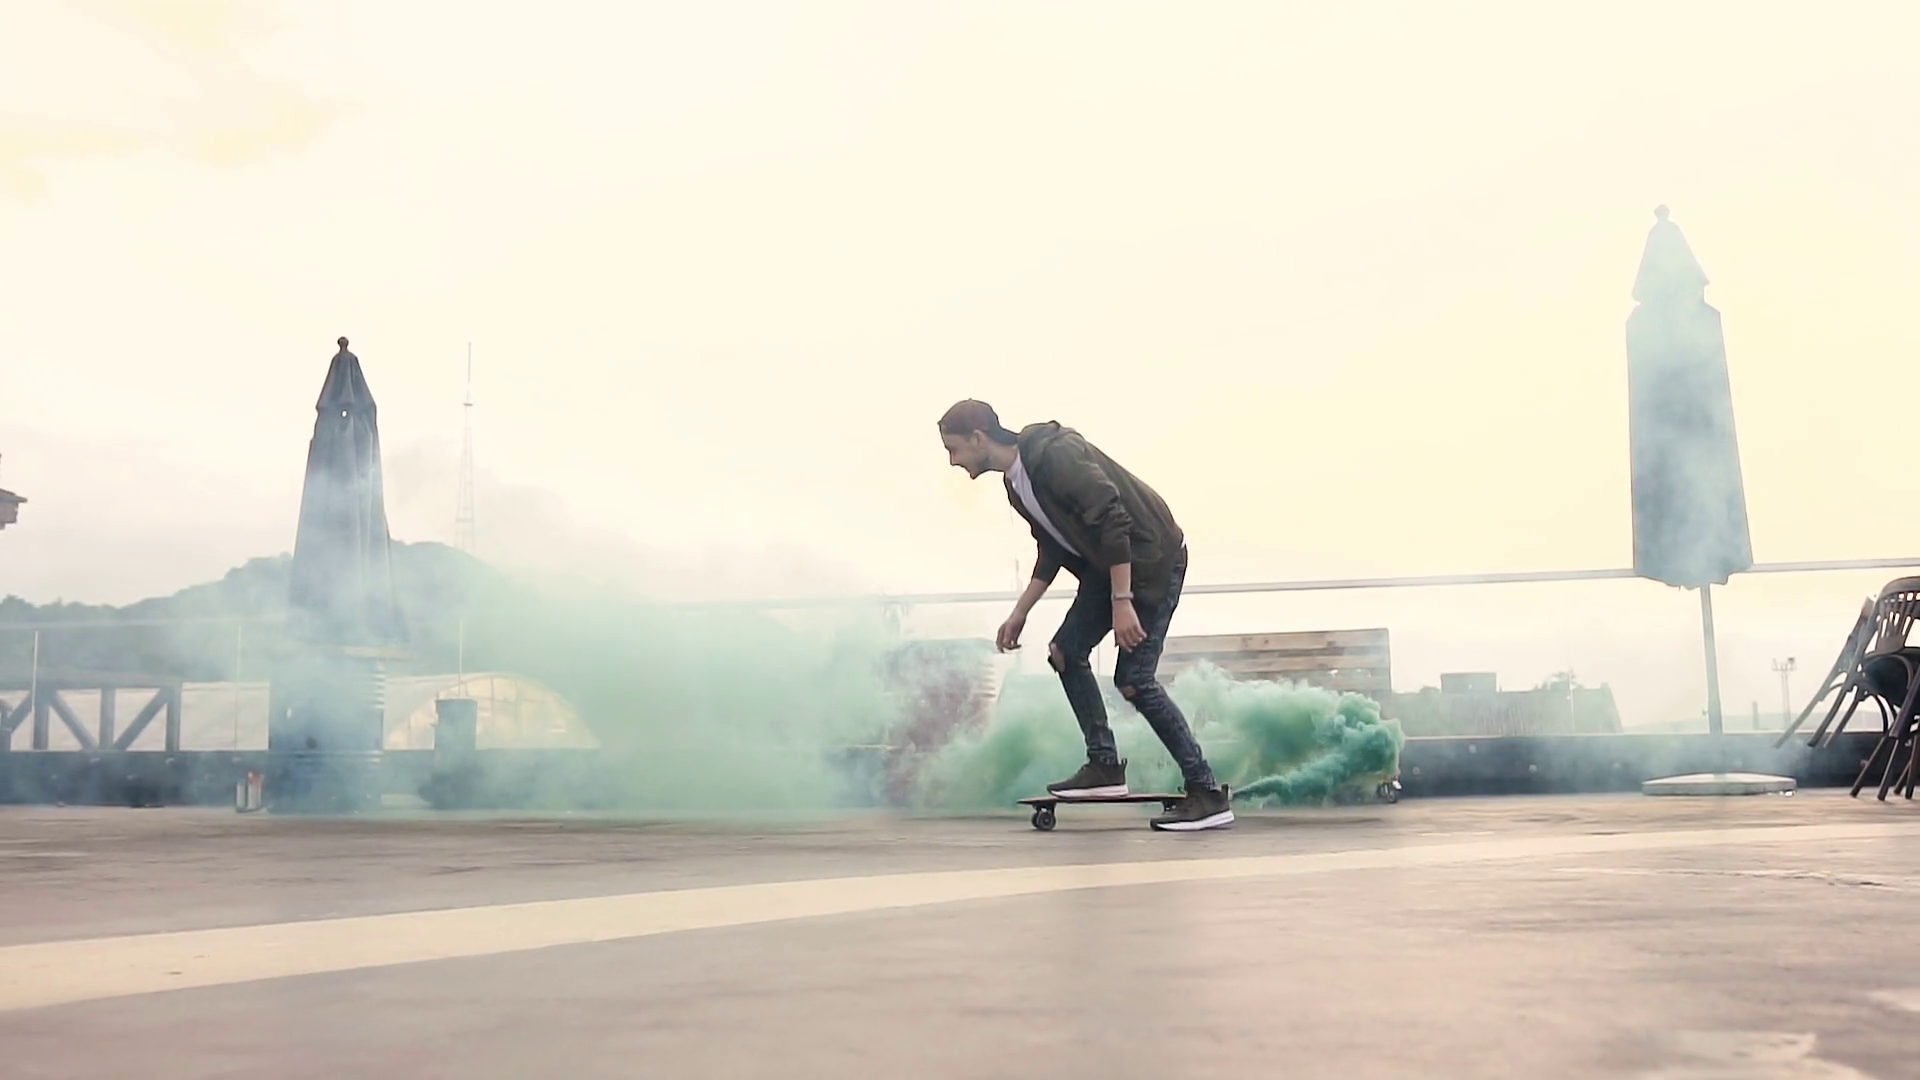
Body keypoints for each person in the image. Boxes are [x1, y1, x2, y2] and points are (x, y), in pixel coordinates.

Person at [937, 399, 1233, 831]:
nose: (953, 461)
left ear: (979, 438)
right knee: (1064, 652)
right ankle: (1104, 767)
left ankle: (1206, 792)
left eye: (955, 449)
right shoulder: (1017, 484)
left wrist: (1122, 600)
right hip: (1108, 569)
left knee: (1134, 680)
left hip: (1151, 561)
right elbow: (1052, 547)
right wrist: (1020, 612)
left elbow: (1113, 520)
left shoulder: (1054, 456)